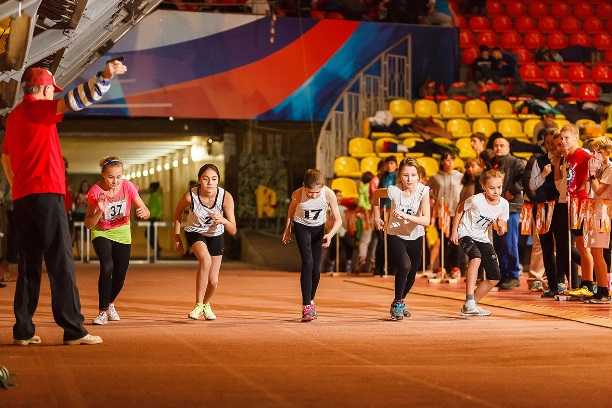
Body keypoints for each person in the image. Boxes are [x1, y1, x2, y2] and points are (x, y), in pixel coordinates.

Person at [2, 61, 126, 345]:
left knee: (28, 264)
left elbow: (5, 158)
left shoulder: (15, 116)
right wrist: (104, 77)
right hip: (47, 193)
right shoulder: (38, 109)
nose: (53, 94)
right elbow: (74, 100)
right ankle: (73, 329)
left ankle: (23, 330)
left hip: (23, 198)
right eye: (51, 89)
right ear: (45, 89)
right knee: (60, 260)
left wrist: (19, 185)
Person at [84, 157, 150, 325]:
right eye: (111, 177)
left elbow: (145, 210)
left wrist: (143, 213)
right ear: (103, 175)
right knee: (107, 266)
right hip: (101, 232)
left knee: (120, 275)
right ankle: (103, 312)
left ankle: (110, 303)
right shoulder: (96, 191)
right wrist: (99, 211)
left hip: (122, 233)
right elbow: (88, 224)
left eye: (119, 177)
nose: (115, 181)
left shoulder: (128, 187)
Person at [174, 164, 237, 320]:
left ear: (218, 181)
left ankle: (205, 304)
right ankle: (198, 305)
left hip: (216, 234)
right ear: (199, 180)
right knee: (205, 260)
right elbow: (179, 211)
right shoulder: (191, 196)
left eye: (214, 179)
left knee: (213, 281)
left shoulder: (225, 197)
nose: (210, 183)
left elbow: (233, 230)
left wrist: (223, 220)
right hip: (195, 232)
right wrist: (177, 236)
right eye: (206, 178)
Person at [372, 157, 431, 320]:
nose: (409, 179)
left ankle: (400, 300)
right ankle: (398, 303)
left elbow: (426, 220)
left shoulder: (423, 191)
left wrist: (406, 216)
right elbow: (376, 195)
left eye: (413, 175)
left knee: (412, 274)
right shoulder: (394, 191)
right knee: (405, 265)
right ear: (399, 175)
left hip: (415, 235)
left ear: (418, 176)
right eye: (405, 175)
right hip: (395, 234)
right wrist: (377, 218)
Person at [282, 169, 342, 322]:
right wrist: (288, 228)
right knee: (308, 262)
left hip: (319, 229)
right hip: (302, 226)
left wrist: (330, 235)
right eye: (310, 192)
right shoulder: (298, 194)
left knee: (316, 269)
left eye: (317, 192)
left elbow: (338, 220)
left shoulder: (328, 194)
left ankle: (311, 301)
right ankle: (306, 305)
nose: (314, 195)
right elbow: (291, 210)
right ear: (304, 186)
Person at [451, 169, 509, 316]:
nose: (496, 191)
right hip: (466, 232)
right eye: (492, 188)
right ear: (483, 187)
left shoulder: (504, 204)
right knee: (476, 258)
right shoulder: (476, 200)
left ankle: (470, 305)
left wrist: (501, 226)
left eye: (499, 187)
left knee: (494, 277)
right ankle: (470, 299)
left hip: (482, 237)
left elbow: (501, 232)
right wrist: (454, 231)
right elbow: (460, 208)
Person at [557, 123, 594, 298]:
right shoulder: (569, 156)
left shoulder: (583, 154)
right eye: (561, 138)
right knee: (579, 244)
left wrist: (585, 185)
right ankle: (585, 283)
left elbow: (598, 165)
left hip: (583, 203)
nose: (563, 141)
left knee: (584, 246)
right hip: (573, 204)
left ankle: (589, 284)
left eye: (567, 138)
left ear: (576, 138)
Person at [490, 136, 525, 289]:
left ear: (508, 148)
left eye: (502, 145)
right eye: (496, 145)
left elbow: (525, 178)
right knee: (498, 243)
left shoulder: (516, 162)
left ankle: (513, 275)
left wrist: (513, 190)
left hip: (511, 207)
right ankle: (503, 274)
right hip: (495, 208)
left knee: (509, 243)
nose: (498, 148)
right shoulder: (491, 163)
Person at [583, 137, 612, 303]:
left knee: (598, 251)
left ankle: (604, 291)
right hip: (595, 211)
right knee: (595, 251)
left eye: (598, 152)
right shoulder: (600, 167)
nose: (595, 155)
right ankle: (600, 288)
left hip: (604, 213)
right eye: (593, 152)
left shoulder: (609, 168)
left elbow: (599, 190)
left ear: (608, 153)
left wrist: (593, 175)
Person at [426, 151, 464, 277]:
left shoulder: (460, 176)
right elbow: (426, 189)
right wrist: (433, 197)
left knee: (456, 240)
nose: (450, 162)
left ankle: (456, 268)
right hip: (442, 214)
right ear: (442, 162)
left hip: (456, 213)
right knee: (443, 240)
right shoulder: (435, 177)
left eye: (452, 160)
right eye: (447, 160)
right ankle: (441, 267)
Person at [324, 189, 355, 272]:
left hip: (343, 231)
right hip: (332, 231)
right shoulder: (327, 209)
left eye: (341, 196)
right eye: (338, 196)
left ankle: (348, 262)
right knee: (336, 246)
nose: (340, 198)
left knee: (350, 244)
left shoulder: (344, 209)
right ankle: (331, 263)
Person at [355, 171, 375, 273]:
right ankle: (373, 262)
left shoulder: (362, 188)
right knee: (375, 241)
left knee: (364, 240)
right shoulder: (375, 186)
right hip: (377, 213)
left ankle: (362, 259)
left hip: (367, 215)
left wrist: (367, 208)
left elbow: (360, 203)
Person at [72, 180, 90, 257]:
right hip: (77, 214)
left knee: (85, 235)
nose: (84, 188)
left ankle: (85, 254)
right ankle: (80, 255)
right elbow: (71, 202)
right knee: (78, 235)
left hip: (86, 215)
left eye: (86, 186)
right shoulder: (77, 195)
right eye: (83, 186)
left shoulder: (90, 195)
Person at [146, 181, 163, 259]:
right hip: (150, 218)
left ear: (153, 188)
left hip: (154, 218)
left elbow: (160, 207)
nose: (149, 189)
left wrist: (158, 217)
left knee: (149, 234)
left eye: (150, 188)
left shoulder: (157, 196)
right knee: (150, 234)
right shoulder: (152, 196)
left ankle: (158, 249)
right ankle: (157, 249)